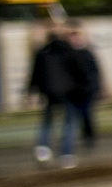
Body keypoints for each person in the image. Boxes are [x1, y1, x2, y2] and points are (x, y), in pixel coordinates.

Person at [27, 24, 80, 166]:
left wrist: (31, 92)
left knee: (47, 122)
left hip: (49, 92)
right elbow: (78, 72)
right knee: (69, 123)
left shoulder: (42, 53)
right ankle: (67, 155)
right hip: (69, 92)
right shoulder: (70, 51)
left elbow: (35, 74)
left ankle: (43, 150)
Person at [66, 25, 101, 151]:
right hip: (73, 91)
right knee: (72, 117)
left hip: (86, 91)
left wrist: (95, 87)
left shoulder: (86, 53)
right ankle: (72, 140)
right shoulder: (68, 54)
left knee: (86, 115)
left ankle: (88, 135)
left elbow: (95, 71)